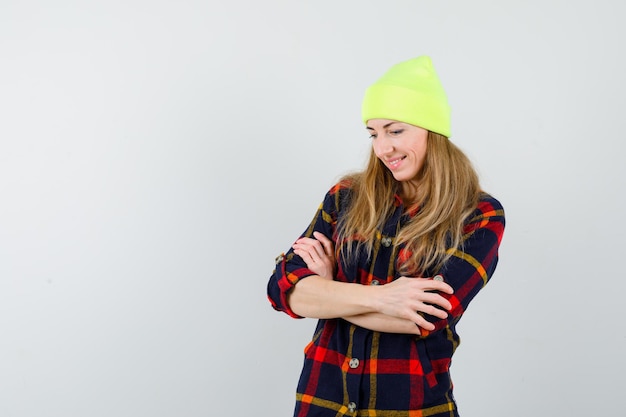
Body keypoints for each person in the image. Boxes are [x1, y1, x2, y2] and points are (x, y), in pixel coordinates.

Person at [267, 55, 505, 417]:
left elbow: (423, 317)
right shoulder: (345, 196)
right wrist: (384, 298)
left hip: (413, 408)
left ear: (433, 130)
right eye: (373, 133)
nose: (382, 148)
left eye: (395, 131)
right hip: (323, 404)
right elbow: (285, 290)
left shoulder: (478, 215)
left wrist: (329, 292)